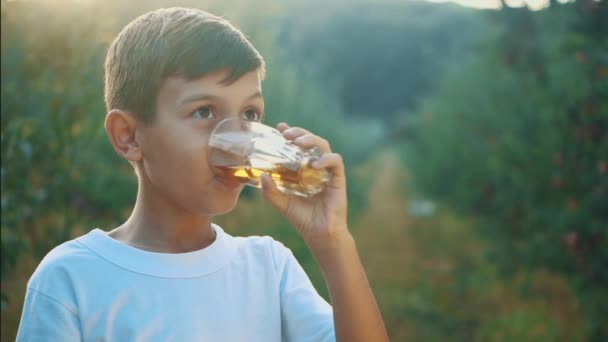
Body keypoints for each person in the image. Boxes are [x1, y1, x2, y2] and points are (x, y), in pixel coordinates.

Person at [16, 7, 388, 342]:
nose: (235, 140)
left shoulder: (268, 268)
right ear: (128, 136)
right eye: (205, 112)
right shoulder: (71, 280)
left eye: (250, 115)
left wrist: (333, 240)